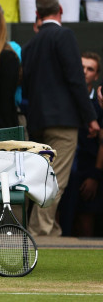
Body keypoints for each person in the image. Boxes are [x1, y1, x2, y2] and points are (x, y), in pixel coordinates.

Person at [22, 0, 99, 237]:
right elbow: (76, 81)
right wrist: (91, 118)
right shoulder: (64, 35)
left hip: (36, 124)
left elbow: (26, 87)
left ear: (37, 14)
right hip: (63, 123)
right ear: (61, 11)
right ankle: (39, 230)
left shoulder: (30, 44)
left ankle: (51, 230)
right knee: (55, 181)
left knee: (42, 178)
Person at [59, 52, 103, 237]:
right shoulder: (62, 98)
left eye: (90, 69)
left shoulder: (100, 104)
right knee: (60, 218)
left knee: (86, 220)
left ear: (97, 75)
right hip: (63, 168)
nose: (84, 72)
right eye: (81, 67)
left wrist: (95, 176)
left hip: (89, 169)